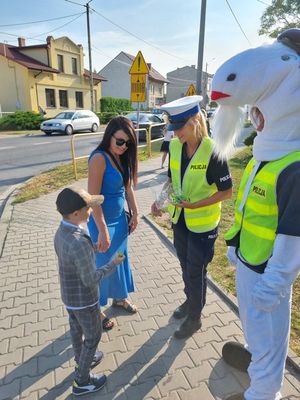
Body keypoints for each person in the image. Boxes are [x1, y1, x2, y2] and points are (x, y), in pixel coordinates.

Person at [210, 28, 300, 400]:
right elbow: (248, 211)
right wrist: (234, 246)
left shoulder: (293, 166)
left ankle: (264, 392)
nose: (255, 118)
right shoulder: (265, 157)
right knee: (256, 331)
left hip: (268, 277)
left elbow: (293, 238)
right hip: (249, 264)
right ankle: (257, 361)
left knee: (270, 344)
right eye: (254, 111)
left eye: (260, 110)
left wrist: (275, 284)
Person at [151, 95, 233, 339]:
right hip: (180, 220)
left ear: (195, 121)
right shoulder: (176, 146)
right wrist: (160, 200)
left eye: (179, 128)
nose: (175, 135)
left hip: (203, 224)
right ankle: (190, 301)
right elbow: (171, 179)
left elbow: (227, 192)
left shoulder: (213, 151)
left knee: (196, 271)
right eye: (172, 129)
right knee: (185, 267)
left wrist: (196, 205)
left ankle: (195, 318)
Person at [54, 186, 124, 396]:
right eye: (89, 208)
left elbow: (74, 257)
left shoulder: (63, 230)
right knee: (93, 337)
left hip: (69, 297)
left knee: (76, 330)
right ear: (76, 213)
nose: (92, 210)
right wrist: (113, 263)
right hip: (85, 300)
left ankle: (81, 358)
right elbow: (90, 279)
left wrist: (92, 247)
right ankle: (82, 381)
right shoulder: (77, 241)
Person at [87, 116, 139, 331]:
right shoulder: (99, 158)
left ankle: (119, 298)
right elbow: (93, 198)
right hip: (102, 223)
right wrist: (102, 231)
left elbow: (128, 189)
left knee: (119, 261)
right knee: (102, 267)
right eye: (120, 141)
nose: (124, 146)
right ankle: (95, 310)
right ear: (109, 136)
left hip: (120, 223)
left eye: (128, 143)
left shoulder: (122, 157)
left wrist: (135, 213)